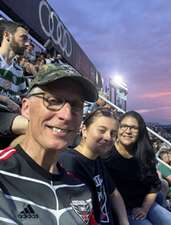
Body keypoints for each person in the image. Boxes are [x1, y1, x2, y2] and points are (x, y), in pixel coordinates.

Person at [0, 63, 99, 224]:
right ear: (26, 108)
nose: (66, 115)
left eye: (76, 105)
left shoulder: (81, 190)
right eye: (53, 100)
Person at [104, 111, 171, 225]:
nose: (128, 131)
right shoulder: (107, 154)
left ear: (140, 131)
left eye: (133, 128)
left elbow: (154, 185)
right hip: (121, 211)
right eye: (124, 126)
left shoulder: (144, 154)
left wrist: (144, 208)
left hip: (145, 205)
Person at [59, 108, 130, 225]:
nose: (108, 137)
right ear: (84, 130)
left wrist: (124, 221)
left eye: (113, 134)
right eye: (102, 130)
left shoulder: (96, 159)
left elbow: (114, 194)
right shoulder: (70, 162)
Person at [0, 20, 29, 147]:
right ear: (7, 36)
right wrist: (6, 100)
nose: (27, 43)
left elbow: (25, 97)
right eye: (23, 38)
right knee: (33, 129)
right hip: (3, 114)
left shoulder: (18, 70)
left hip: (11, 116)